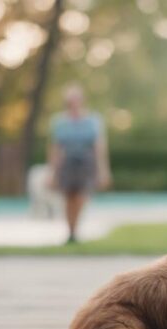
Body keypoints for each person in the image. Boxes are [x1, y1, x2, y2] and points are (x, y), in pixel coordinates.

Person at [47, 84, 111, 244]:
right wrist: (52, 172)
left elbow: (99, 146)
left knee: (81, 197)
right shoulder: (59, 122)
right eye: (70, 100)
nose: (73, 103)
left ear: (82, 100)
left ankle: (74, 228)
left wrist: (103, 170)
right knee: (68, 198)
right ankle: (71, 232)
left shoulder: (93, 120)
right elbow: (55, 149)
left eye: (76, 99)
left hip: (86, 163)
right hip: (67, 163)